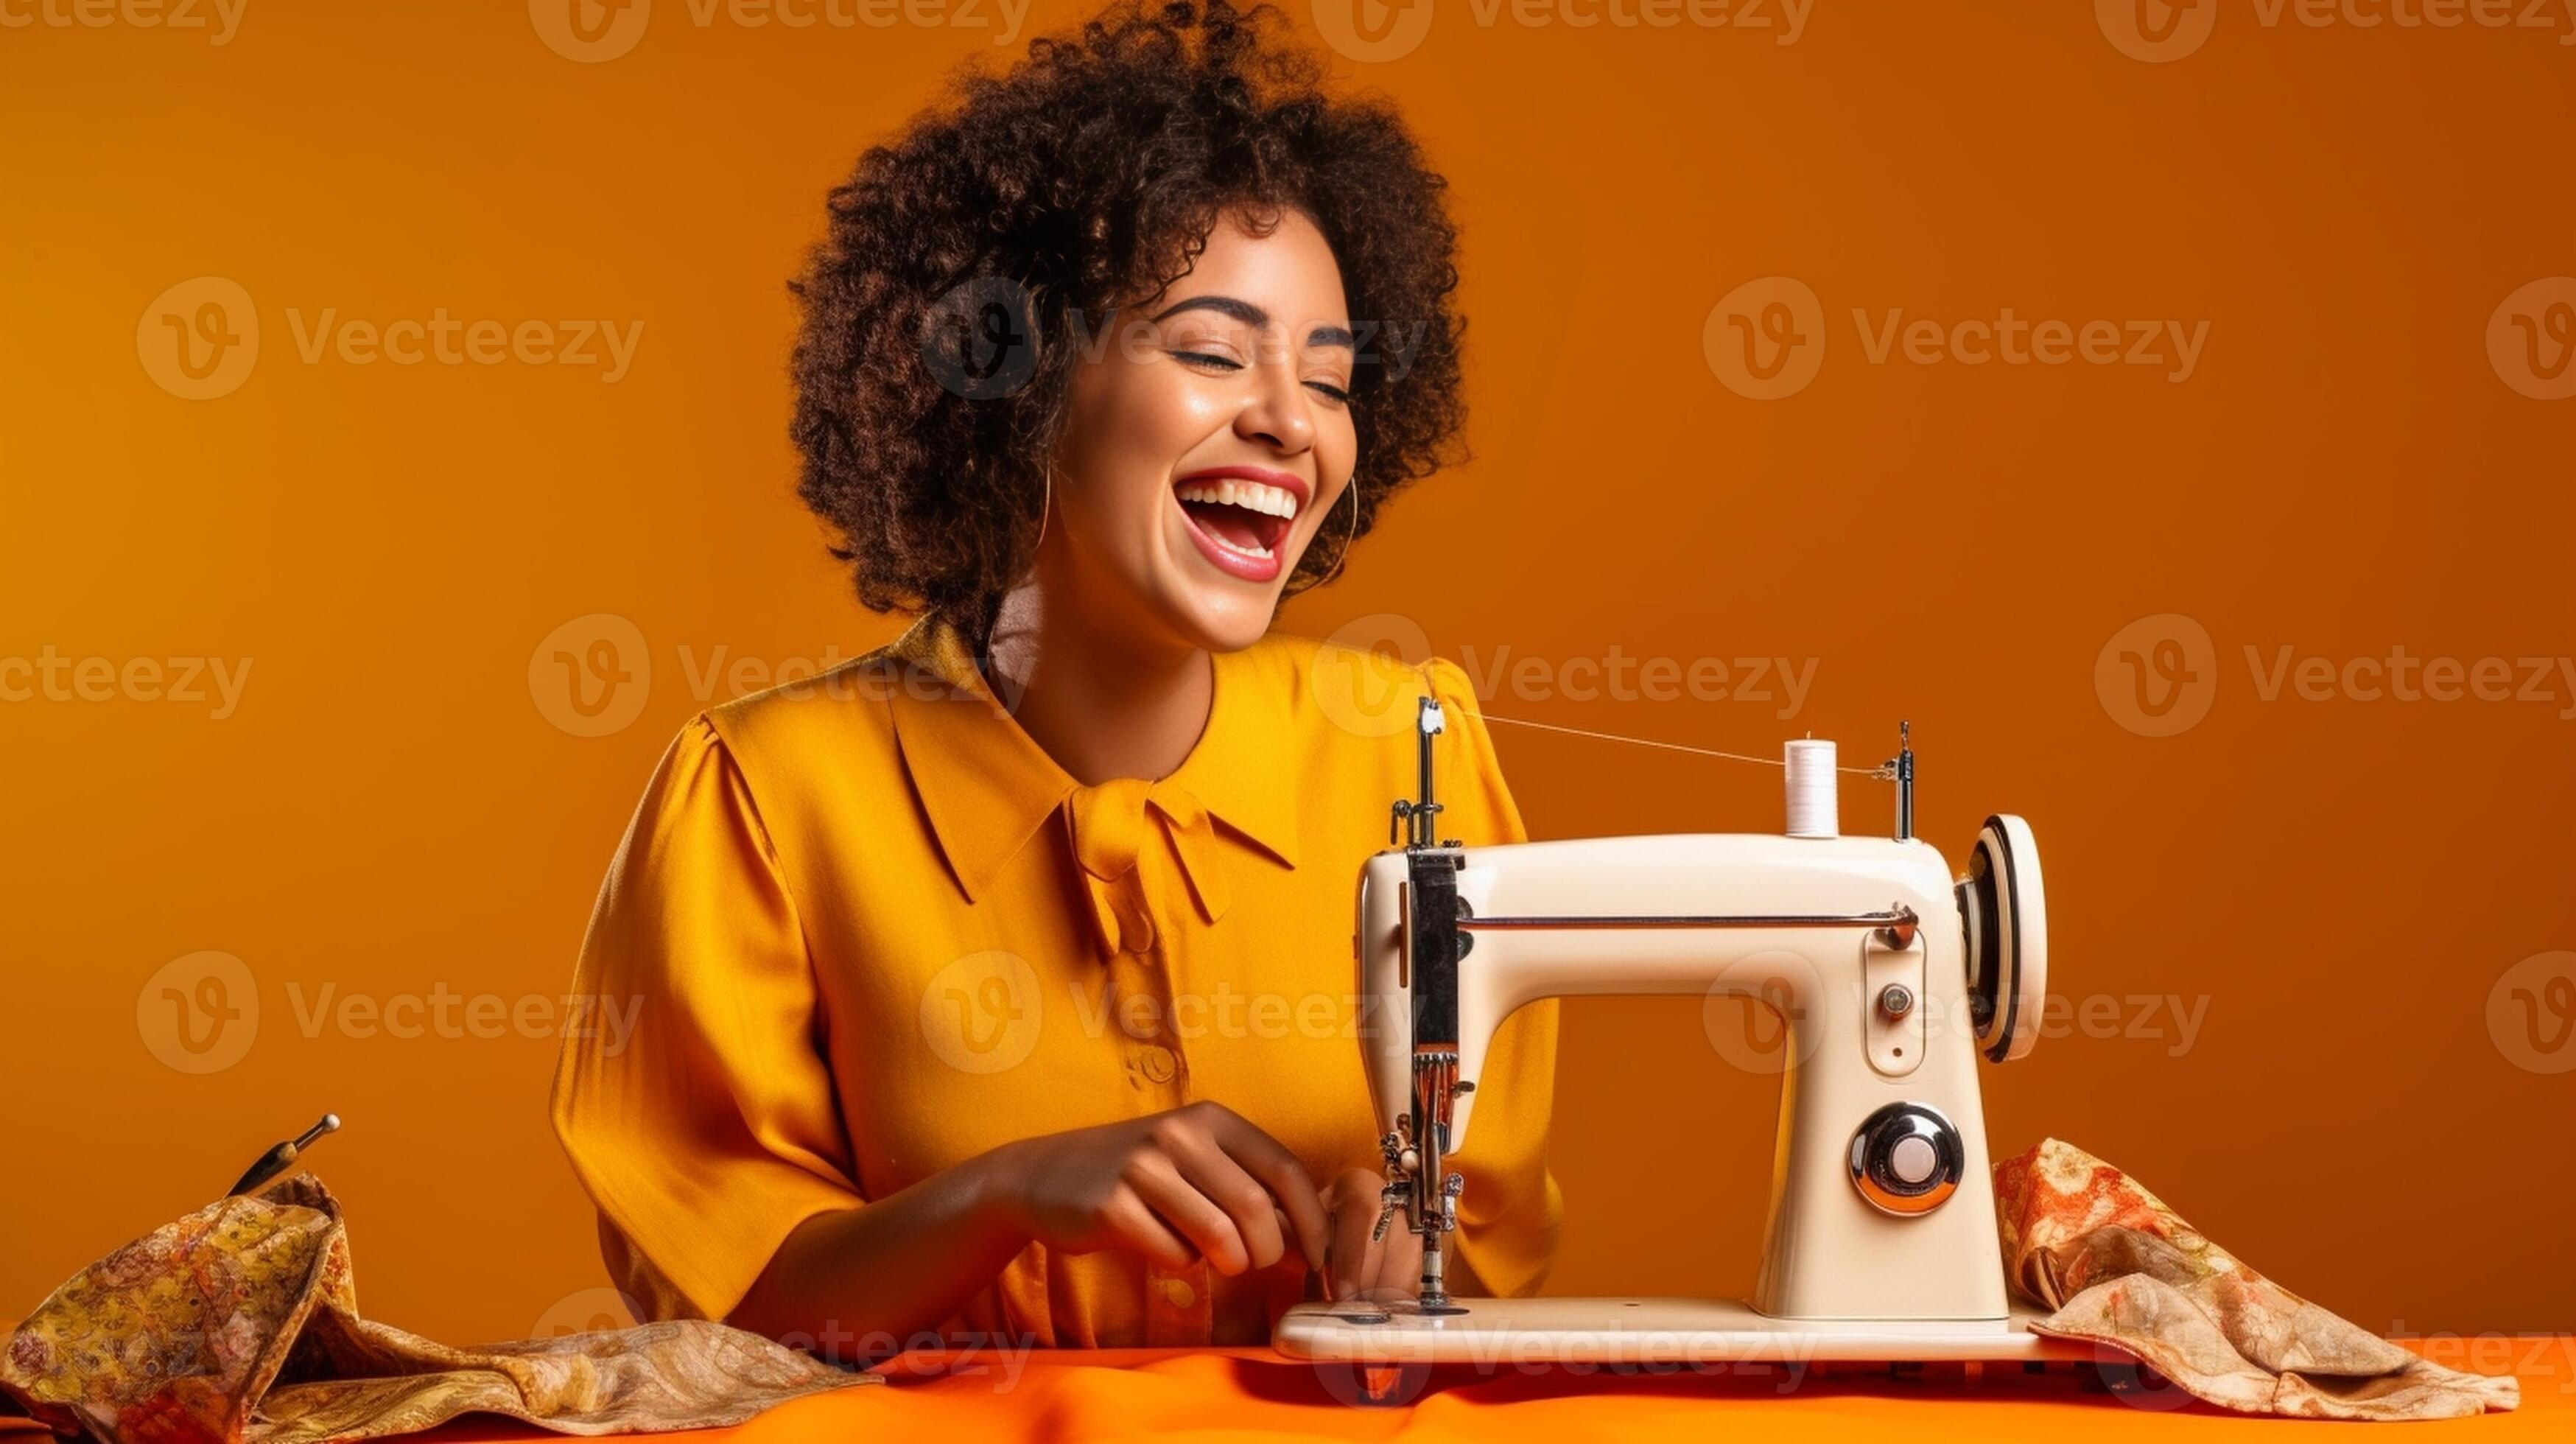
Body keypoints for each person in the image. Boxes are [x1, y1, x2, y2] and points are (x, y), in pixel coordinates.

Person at [550, 0, 1559, 1355]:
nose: (1287, 419)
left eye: (1329, 379)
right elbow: (725, 1294)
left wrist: (1402, 1225)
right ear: (1013, 382)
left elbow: (1483, 1221)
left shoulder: (1408, 745)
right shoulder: (762, 796)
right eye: (1210, 351)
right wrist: (1008, 1194)